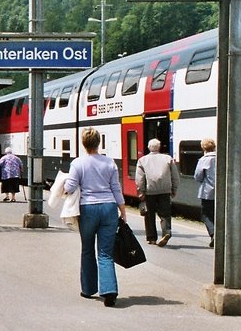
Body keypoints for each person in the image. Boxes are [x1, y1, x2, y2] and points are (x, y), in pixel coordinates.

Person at [64, 127, 127, 307]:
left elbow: (70, 186)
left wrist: (64, 187)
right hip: (109, 208)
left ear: (83, 143)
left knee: (87, 249)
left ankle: (88, 289)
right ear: (99, 142)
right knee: (106, 252)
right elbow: (116, 187)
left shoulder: (78, 163)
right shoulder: (110, 163)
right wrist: (122, 210)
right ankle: (109, 291)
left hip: (88, 208)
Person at [135, 138, 180, 247]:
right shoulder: (168, 159)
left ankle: (151, 238)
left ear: (148, 147)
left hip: (150, 191)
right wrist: (174, 189)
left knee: (149, 215)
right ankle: (166, 232)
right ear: (159, 147)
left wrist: (141, 191)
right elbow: (175, 176)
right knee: (165, 213)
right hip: (165, 190)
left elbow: (140, 178)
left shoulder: (142, 160)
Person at [194, 137, 216, 247]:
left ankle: (213, 233)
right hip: (221, 193)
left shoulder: (203, 160)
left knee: (206, 214)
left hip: (208, 193)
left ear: (203, 148)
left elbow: (198, 176)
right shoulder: (221, 158)